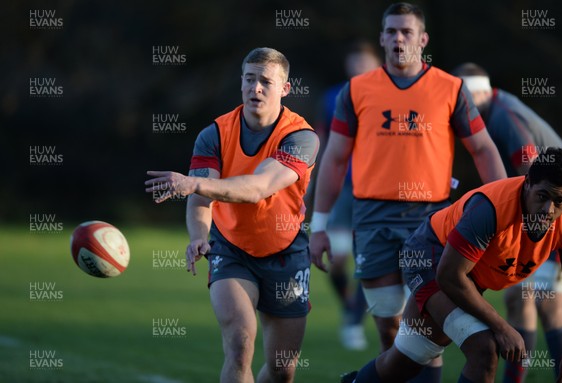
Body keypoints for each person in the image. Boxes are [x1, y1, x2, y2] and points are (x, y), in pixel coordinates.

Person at [310, 3, 506, 381]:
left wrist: (498, 210)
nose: (399, 38)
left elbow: (482, 149)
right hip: (372, 220)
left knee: (426, 332)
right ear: (382, 37)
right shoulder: (355, 91)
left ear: (423, 39)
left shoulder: (450, 88)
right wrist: (318, 225)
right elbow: (334, 159)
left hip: (431, 221)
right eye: (392, 31)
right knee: (390, 333)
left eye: (407, 32)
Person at [145, 47, 319, 383]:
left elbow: (258, 187)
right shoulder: (214, 134)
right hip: (230, 248)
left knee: (283, 369)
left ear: (285, 88)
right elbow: (201, 197)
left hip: (287, 251)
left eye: (265, 81)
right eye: (249, 79)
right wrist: (198, 236)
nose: (256, 88)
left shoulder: (302, 138)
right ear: (241, 82)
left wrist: (191, 183)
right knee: (240, 344)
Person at [345, 147, 562, 383]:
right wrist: (502, 327)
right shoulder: (492, 208)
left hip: (464, 274)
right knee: (484, 349)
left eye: (559, 201)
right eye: (542, 196)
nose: (548, 209)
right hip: (432, 258)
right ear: (527, 184)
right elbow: (450, 276)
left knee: (409, 357)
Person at [453, 62, 562, 382]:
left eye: (461, 102)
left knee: (527, 300)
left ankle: (546, 373)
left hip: (560, 216)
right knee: (534, 303)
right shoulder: (497, 109)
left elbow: (531, 181)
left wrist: (498, 218)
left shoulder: (506, 119)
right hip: (556, 210)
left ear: (477, 97)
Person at [314, 40, 380, 351]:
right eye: (353, 63)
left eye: (363, 63)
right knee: (337, 259)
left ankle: (353, 323)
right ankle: (350, 307)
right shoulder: (333, 97)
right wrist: (314, 184)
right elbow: (324, 141)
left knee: (371, 261)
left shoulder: (386, 95)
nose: (357, 69)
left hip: (377, 191)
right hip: (342, 189)